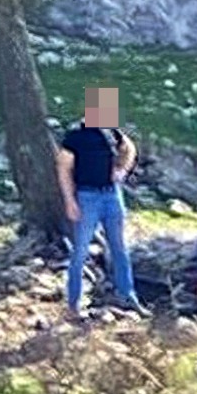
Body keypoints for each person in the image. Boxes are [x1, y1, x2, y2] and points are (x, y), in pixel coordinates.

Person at [59, 86, 149, 319]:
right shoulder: (75, 136)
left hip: (111, 194)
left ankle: (128, 296)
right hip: (87, 196)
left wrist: (122, 170)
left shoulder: (112, 133)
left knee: (119, 247)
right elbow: (63, 168)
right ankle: (73, 304)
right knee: (80, 250)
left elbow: (129, 149)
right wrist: (70, 201)